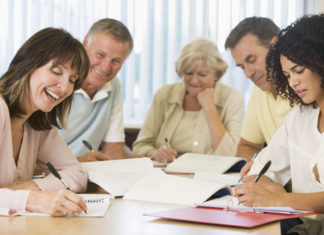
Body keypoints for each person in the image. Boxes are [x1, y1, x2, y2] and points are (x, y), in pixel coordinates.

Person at [234, 14, 324, 235]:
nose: (293, 82)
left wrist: (279, 198)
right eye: (287, 75)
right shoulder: (300, 117)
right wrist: (265, 184)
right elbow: (259, 169)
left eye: (299, 71)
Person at [0, 27, 90, 216]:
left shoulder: (37, 123)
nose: (65, 87)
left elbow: (76, 174)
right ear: (27, 64)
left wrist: (29, 187)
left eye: (73, 80)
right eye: (56, 71)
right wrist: (31, 198)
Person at [133, 38, 243, 163]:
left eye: (202, 74)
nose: (194, 80)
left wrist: (209, 108)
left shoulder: (232, 98)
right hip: (166, 173)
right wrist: (156, 153)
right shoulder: (164, 95)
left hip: (209, 175)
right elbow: (140, 146)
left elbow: (231, 154)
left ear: (216, 74)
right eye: (188, 73)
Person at [225, 17, 293, 176]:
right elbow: (246, 145)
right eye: (242, 67)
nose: (248, 74)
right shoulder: (260, 88)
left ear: (275, 45)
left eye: (251, 60)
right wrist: (259, 165)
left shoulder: (305, 88)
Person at [58, 18, 134, 162]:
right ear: (85, 42)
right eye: (100, 55)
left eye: (116, 61)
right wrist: (77, 162)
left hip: (84, 175)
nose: (105, 67)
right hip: (49, 176)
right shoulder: (58, 82)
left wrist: (133, 164)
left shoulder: (114, 85)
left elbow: (114, 149)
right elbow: (32, 159)